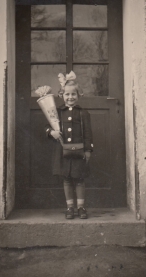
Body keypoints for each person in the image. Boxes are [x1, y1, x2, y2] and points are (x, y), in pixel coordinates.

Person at [45, 71, 94, 219]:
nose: (70, 97)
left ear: (79, 96)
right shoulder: (57, 113)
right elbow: (47, 126)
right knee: (66, 178)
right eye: (67, 94)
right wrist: (51, 132)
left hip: (79, 152)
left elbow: (88, 133)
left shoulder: (83, 113)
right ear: (62, 95)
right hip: (62, 151)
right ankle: (70, 208)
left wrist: (88, 150)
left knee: (79, 179)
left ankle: (81, 207)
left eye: (73, 94)